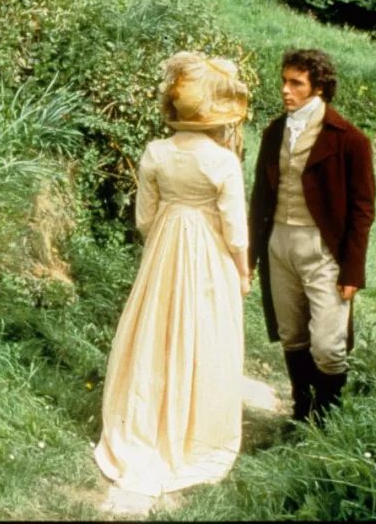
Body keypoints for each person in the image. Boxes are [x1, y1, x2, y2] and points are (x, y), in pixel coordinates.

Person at [94, 51, 251, 501]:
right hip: (209, 254)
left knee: (156, 330)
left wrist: (165, 236)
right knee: (205, 332)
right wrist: (242, 272)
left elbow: (144, 218)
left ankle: (146, 423)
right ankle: (195, 432)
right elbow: (235, 230)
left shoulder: (156, 152)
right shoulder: (223, 162)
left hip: (164, 248)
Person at [249, 48, 376, 426]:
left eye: (296, 83)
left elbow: (363, 209)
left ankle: (327, 420)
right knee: (291, 333)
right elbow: (260, 196)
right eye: (284, 81)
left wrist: (352, 270)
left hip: (323, 249)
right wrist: (251, 255)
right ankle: (301, 412)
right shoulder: (274, 132)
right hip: (279, 242)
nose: (285, 90)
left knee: (328, 344)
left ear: (318, 88)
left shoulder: (349, 139)